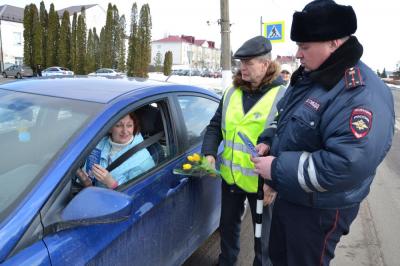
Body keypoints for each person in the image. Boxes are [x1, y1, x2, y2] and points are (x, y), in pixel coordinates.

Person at [252, 1, 395, 265]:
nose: (297, 54)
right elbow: (287, 120)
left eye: (304, 46)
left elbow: (345, 165)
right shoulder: (313, 77)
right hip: (294, 194)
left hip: (319, 210)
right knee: (278, 258)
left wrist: (276, 168)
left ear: (334, 43)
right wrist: (269, 142)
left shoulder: (359, 93)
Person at [201, 35, 286, 266]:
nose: (242, 68)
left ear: (265, 64)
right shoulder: (231, 92)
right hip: (230, 178)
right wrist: (208, 153)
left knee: (263, 238)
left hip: (261, 182)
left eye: (248, 63)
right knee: (228, 229)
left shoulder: (283, 96)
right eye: (240, 63)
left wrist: (274, 182)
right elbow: (214, 126)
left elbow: (288, 141)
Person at [77, 112, 155, 189]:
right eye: (119, 125)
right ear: (110, 128)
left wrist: (112, 183)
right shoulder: (98, 143)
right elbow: (87, 168)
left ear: (134, 127)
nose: (125, 131)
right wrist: (83, 178)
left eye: (129, 125)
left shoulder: (143, 159)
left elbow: (139, 194)